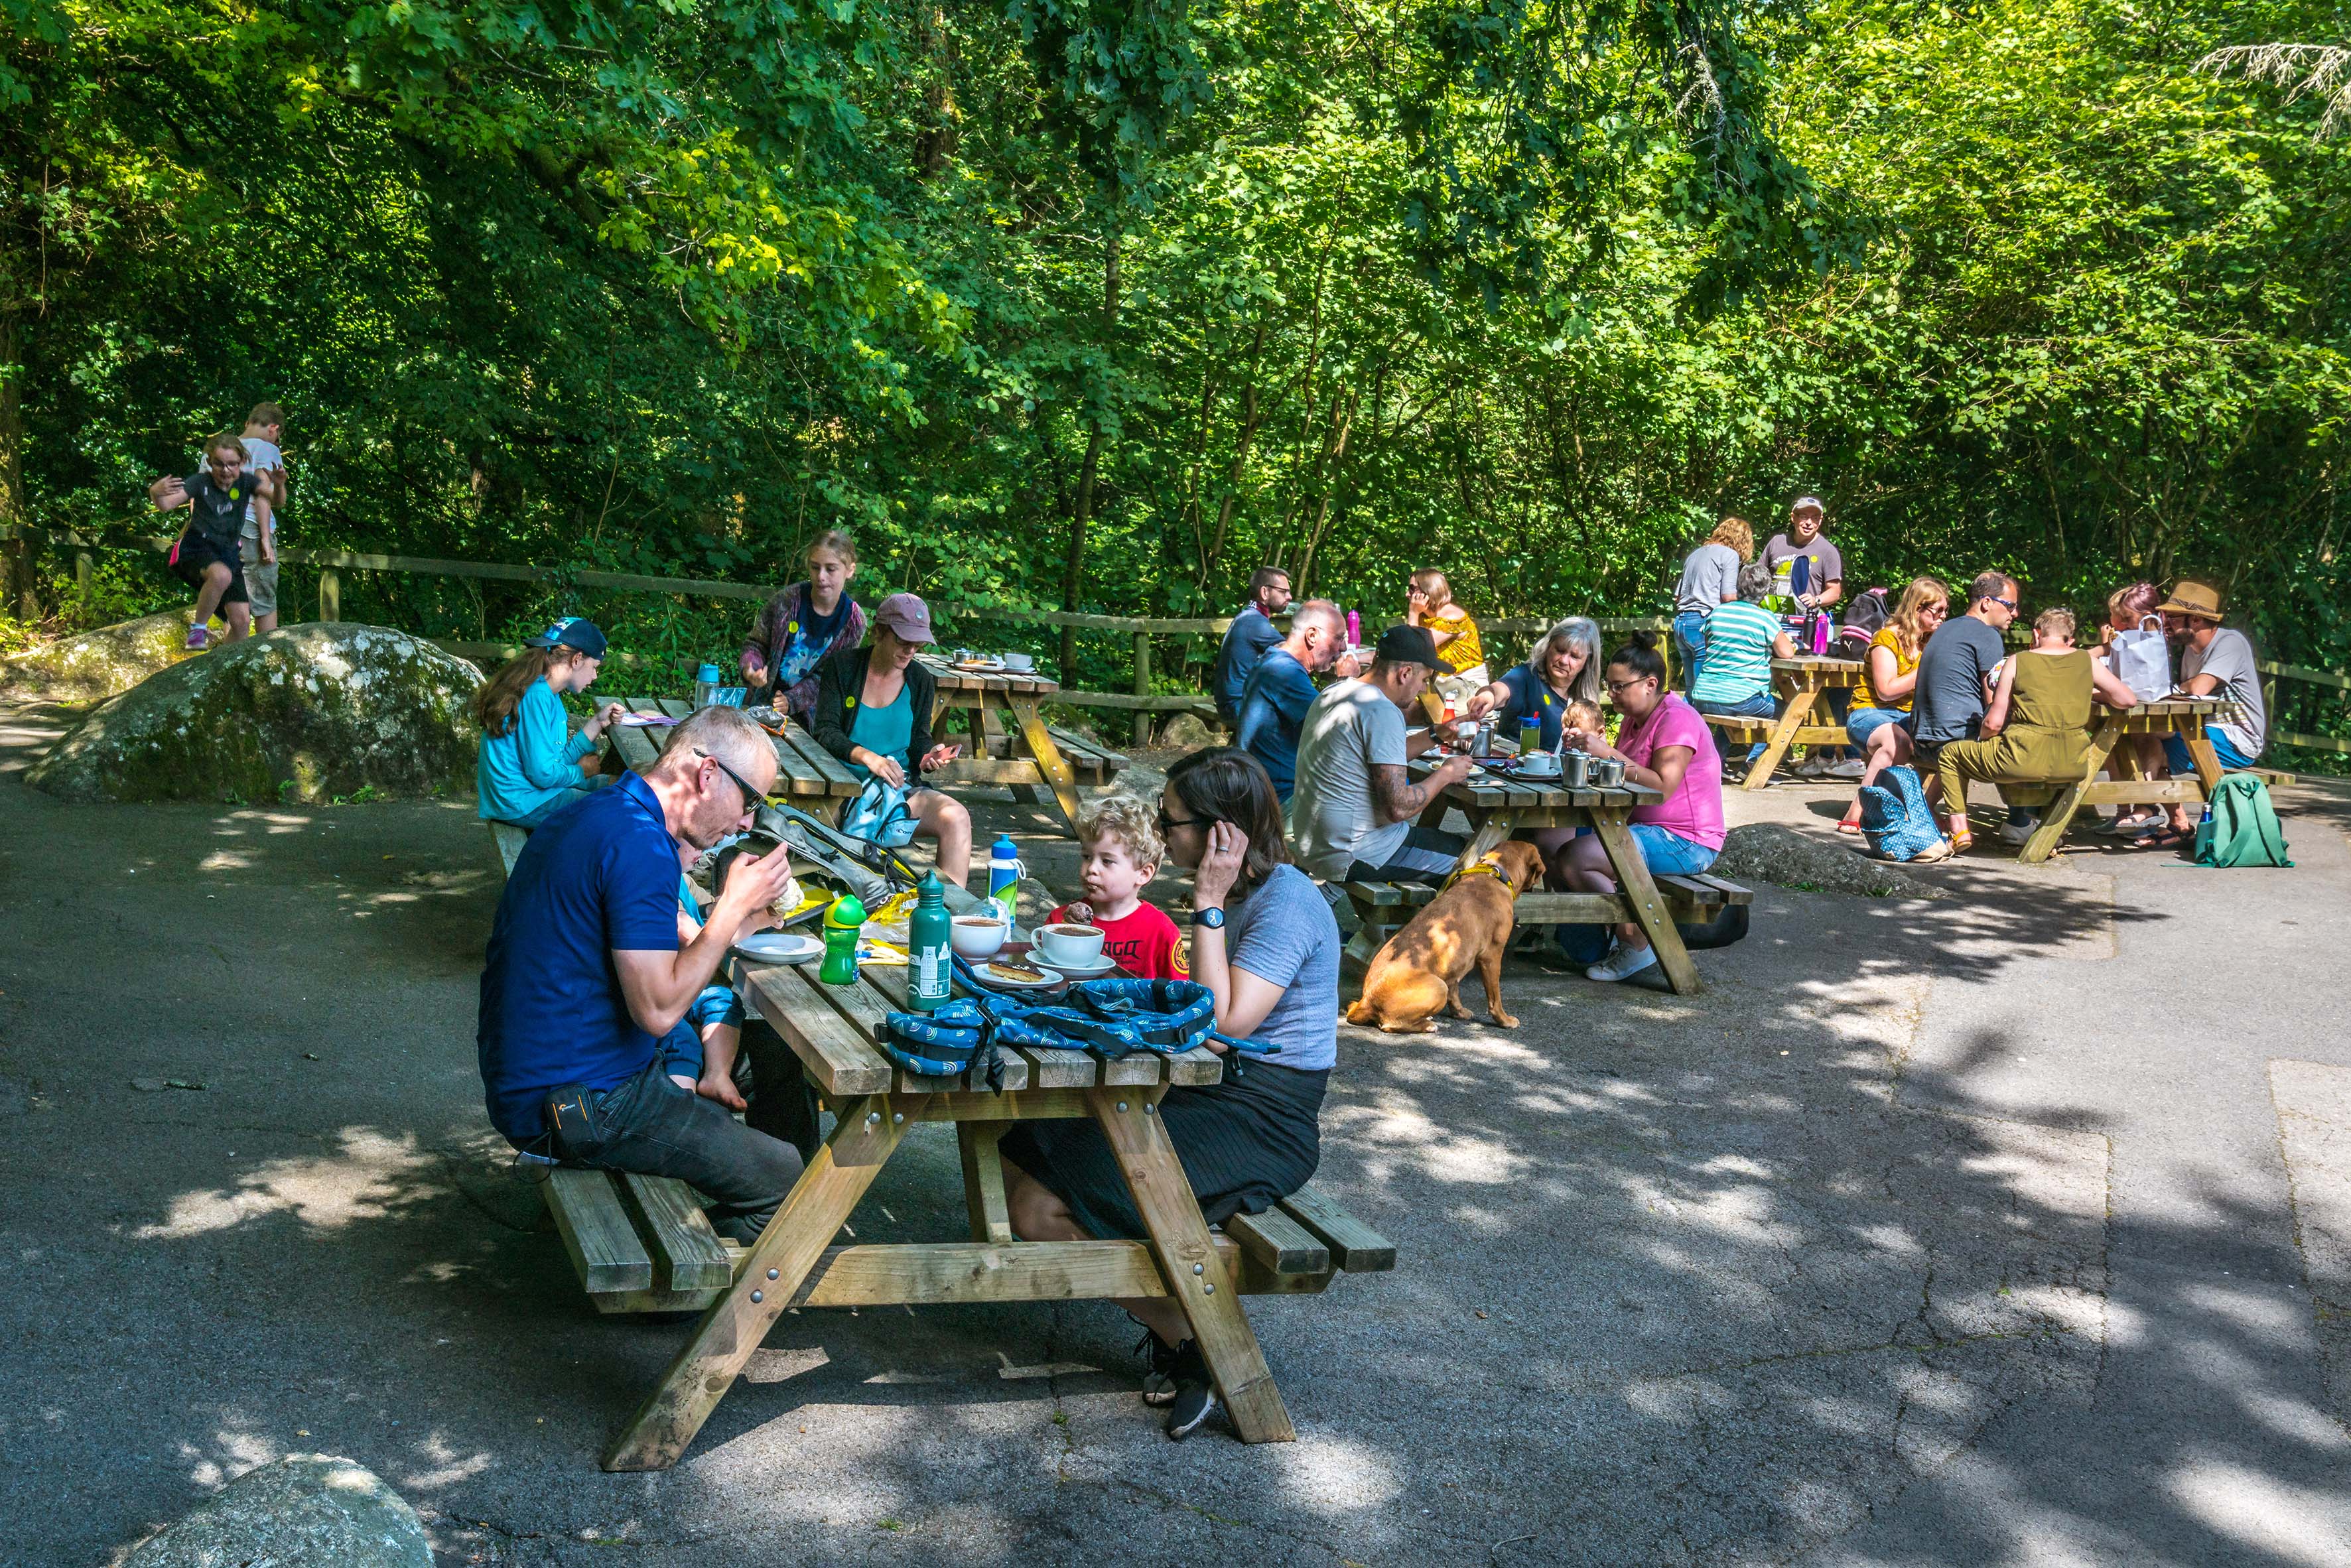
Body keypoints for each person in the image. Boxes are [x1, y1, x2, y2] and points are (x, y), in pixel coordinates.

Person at [1001, 748, 1340, 1440]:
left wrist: (1207, 904)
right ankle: (1186, 1335)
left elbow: (1224, 1025)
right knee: (1019, 1142)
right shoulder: (1251, 894)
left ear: (1221, 833)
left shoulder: (1286, 903)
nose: (1162, 830)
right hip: (1210, 1090)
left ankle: (1199, 1344)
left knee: (1039, 1207)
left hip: (1263, 1118)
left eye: (1171, 819)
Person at [477, 706, 803, 1242]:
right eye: (751, 803)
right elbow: (656, 1011)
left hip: (538, 1075)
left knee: (772, 1051)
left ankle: (745, 1188)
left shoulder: (604, 812)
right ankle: (699, 1267)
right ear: (708, 775)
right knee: (790, 1178)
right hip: (579, 1102)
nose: (748, 823)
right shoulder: (640, 845)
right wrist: (730, 910)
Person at [1555, 633, 1725, 982]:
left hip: (1687, 840)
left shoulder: (1678, 719)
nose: (1612, 694)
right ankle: (1590, 943)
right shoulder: (1635, 718)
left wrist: (1604, 753)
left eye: (1620, 687)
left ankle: (1636, 944)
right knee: (1555, 848)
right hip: (1644, 830)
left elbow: (1662, 787)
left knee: (1576, 858)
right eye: (1610, 686)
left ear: (1650, 684)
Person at [1935, 608, 2139, 851]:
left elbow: (1994, 723)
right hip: (2072, 763)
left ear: (2036, 633)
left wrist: (1985, 741)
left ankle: (1960, 831)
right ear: (2070, 639)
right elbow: (2127, 700)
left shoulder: (2018, 661)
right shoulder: (2087, 661)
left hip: (2022, 756)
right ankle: (2026, 825)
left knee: (1951, 755)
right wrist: (2091, 692)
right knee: (2025, 763)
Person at [1289, 625, 1477, 885]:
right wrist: (1446, 774)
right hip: (1359, 853)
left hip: (1317, 846)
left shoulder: (1336, 693)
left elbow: (1384, 758)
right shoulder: (1381, 710)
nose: (1423, 690)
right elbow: (1399, 808)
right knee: (1484, 863)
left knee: (1451, 843)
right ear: (1405, 673)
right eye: (1425, 680)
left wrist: (1436, 734)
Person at [811, 592, 972, 884]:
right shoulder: (842, 667)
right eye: (903, 641)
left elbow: (919, 737)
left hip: (899, 790)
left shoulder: (920, 679)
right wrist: (868, 757)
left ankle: (946, 916)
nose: (911, 650)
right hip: (842, 788)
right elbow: (825, 732)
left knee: (957, 816)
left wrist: (928, 756)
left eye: (918, 643)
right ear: (879, 633)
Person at [2148, 578, 2271, 844]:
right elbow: (2186, 694)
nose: (2165, 622)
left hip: (2238, 740)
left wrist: (2182, 687)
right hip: (2203, 730)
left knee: (2147, 745)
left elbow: (2199, 687)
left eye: (2172, 617)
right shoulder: (2192, 651)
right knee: (2138, 739)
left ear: (2196, 620)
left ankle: (2145, 812)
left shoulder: (2231, 642)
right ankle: (2172, 821)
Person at [474, 618, 628, 828]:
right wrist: (581, 772)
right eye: (594, 667)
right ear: (577, 659)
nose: (594, 676)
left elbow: (553, 763)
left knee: (617, 784)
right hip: (522, 804)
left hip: (529, 795)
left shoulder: (547, 694)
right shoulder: (538, 697)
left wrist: (598, 723)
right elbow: (542, 774)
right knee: (617, 808)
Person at [1902, 571, 2019, 835]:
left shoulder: (1948, 627)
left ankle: (1923, 808)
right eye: (2010, 605)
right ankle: (2023, 820)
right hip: (1952, 739)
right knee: (2022, 741)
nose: (2016, 613)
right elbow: (1993, 704)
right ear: (1987, 603)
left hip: (1921, 735)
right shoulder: (1987, 635)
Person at [1835, 576, 1949, 834]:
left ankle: (1924, 808)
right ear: (1918, 608)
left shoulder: (1932, 643)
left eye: (1946, 611)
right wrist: (1925, 668)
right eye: (1938, 610)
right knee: (1896, 740)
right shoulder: (1887, 638)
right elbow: (1886, 690)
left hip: (1912, 718)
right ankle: (1856, 811)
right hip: (1869, 714)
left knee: (1957, 746)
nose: (1943, 617)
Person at [1047, 794, 1189, 979]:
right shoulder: (1059, 922)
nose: (1092, 869)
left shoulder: (1160, 931)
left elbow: (1179, 993)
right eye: (1087, 857)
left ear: (1143, 873)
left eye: (1107, 861)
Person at [147, 433, 263, 651]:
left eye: (231, 464)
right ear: (210, 463)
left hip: (229, 556)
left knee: (242, 623)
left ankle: (218, 670)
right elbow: (165, 505)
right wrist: (155, 492)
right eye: (219, 464)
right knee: (221, 575)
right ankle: (197, 631)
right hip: (197, 550)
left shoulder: (247, 484)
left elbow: (270, 501)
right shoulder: (200, 483)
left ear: (242, 463)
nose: (225, 470)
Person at [741, 529, 866, 727]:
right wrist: (752, 667)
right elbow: (756, 643)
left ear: (850, 570)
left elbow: (832, 677)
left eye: (831, 569)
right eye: (815, 567)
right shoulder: (787, 601)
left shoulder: (854, 621)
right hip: (759, 704)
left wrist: (792, 701)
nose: (821, 576)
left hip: (808, 719)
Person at [1688, 562, 1798, 776]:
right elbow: (1787, 653)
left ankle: (1716, 764)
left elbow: (1711, 646)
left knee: (1726, 708)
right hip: (1742, 698)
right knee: (1789, 711)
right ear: (1766, 591)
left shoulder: (1717, 613)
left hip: (1704, 695)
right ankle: (1753, 764)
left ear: (1738, 586)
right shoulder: (1764, 618)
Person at [1234, 599, 1347, 800]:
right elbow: (1341, 729)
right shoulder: (1285, 673)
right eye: (1339, 638)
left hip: (1261, 789)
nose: (1344, 647)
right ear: (1312, 636)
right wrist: (1347, 681)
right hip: (1279, 800)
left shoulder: (1273, 659)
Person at [2091, 582, 2171, 836]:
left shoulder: (2149, 638)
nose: (2121, 624)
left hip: (2161, 726)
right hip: (2132, 713)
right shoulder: (2130, 640)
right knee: (2115, 740)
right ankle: (2129, 810)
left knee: (2142, 737)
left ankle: (2144, 805)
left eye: (2127, 618)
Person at [1464, 616, 1605, 751]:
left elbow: (1601, 748)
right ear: (1548, 646)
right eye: (1560, 650)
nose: (1563, 661)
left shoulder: (1586, 702)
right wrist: (1486, 696)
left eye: (1574, 656)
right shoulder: (1525, 676)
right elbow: (1499, 690)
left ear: (1587, 662)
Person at [1672, 518, 1754, 690]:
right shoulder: (1729, 555)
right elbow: (1728, 596)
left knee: (1690, 689)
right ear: (1742, 540)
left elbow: (1677, 597)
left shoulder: (1695, 554)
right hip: (1702, 624)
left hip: (1681, 624)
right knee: (1703, 691)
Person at [1213, 566, 1293, 726]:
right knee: (1301, 717)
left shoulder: (1248, 616)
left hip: (1231, 701)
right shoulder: (1254, 622)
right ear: (1265, 592)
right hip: (1238, 705)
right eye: (1284, 592)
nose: (1290, 597)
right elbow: (1296, 653)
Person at [1406, 568, 1488, 704]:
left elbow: (1414, 649)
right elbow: (1403, 647)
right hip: (1440, 683)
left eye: (1412, 589)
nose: (1408, 594)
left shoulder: (1453, 618)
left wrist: (1413, 613)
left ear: (1429, 590)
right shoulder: (1426, 618)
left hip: (1465, 685)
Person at [1761, 494, 1844, 614]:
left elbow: (1835, 591)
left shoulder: (1828, 551)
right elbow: (1758, 575)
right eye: (1804, 517)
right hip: (1771, 616)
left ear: (1820, 521)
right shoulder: (1777, 542)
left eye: (1815, 518)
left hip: (1803, 621)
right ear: (1793, 517)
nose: (1809, 523)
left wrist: (1816, 600)